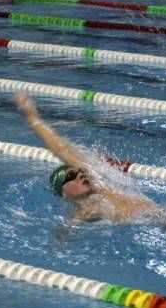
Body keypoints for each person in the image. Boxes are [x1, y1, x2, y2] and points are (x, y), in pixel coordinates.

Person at [16, 92, 156, 222]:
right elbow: (63, 237)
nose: (80, 174)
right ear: (64, 194)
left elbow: (61, 149)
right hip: (152, 223)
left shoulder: (100, 182)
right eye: (71, 176)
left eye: (80, 172)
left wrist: (32, 118)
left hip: (163, 216)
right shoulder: (84, 213)